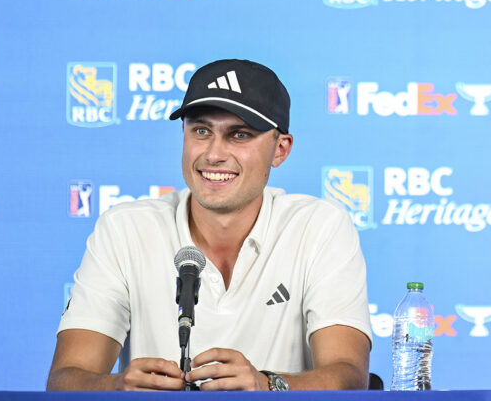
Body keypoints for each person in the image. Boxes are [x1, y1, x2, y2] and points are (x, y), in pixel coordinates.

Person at [47, 59, 372, 391]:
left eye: (239, 135)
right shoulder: (124, 230)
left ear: (280, 149)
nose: (214, 154)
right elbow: (65, 379)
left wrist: (267, 385)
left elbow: (349, 376)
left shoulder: (319, 227)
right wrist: (116, 388)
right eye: (201, 131)